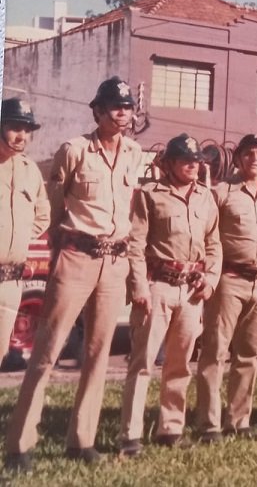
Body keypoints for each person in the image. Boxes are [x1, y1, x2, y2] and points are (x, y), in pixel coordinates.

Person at [4, 77, 143, 471]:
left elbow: (130, 213)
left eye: (127, 107)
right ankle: (20, 445)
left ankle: (81, 440)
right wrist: (61, 254)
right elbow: (53, 208)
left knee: (98, 354)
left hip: (114, 262)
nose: (121, 112)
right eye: (113, 106)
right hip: (76, 257)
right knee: (47, 352)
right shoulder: (75, 150)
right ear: (96, 112)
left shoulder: (134, 152)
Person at [118, 133, 222, 456]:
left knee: (179, 364)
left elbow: (214, 244)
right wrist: (139, 287)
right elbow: (135, 246)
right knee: (143, 363)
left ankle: (171, 428)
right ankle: (130, 435)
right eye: (185, 160)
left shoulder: (206, 197)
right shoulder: (150, 195)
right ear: (170, 164)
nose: (192, 165)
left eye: (197, 161)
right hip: (158, 286)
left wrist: (211, 278)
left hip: (191, 289)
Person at [195, 134, 257, 442]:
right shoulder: (221, 193)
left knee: (249, 354)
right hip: (229, 280)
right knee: (215, 352)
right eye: (248, 153)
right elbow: (206, 235)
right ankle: (209, 424)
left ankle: (239, 420)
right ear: (239, 158)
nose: (254, 158)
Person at [0, 99, 50, 368]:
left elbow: (43, 214)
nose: (21, 136)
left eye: (27, 130)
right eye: (14, 127)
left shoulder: (30, 171)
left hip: (11, 282)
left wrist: (17, 236)